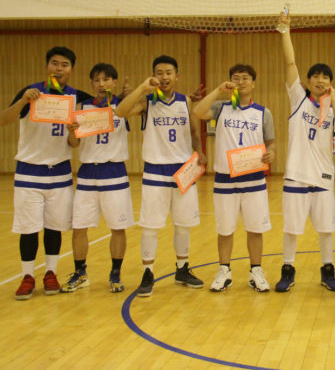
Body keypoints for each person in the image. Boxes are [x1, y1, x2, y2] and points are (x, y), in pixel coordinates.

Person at [1, 47, 129, 300]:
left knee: (55, 227)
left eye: (64, 65)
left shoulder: (77, 98)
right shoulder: (31, 92)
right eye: (54, 63)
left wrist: (125, 95)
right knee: (29, 228)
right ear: (47, 66)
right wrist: (23, 101)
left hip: (61, 172)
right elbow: (4, 119)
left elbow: (104, 104)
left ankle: (51, 273)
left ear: (71, 69)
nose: (59, 69)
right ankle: (27, 276)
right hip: (29, 171)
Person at [114, 55, 207, 297]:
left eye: (168, 72)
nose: (164, 77)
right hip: (155, 170)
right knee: (150, 227)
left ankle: (182, 269)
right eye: (159, 73)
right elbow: (120, 112)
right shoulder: (147, 102)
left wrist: (199, 151)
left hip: (183, 170)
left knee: (184, 225)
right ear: (153, 76)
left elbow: (194, 132)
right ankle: (148, 273)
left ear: (177, 76)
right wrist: (141, 88)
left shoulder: (186, 102)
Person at [276, 12, 335, 292]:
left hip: (323, 177)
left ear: (330, 83)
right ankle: (287, 269)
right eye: (316, 76)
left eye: (325, 77)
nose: (320, 80)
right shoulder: (298, 99)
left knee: (326, 228)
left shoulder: (331, 109)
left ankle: (327, 270)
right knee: (292, 228)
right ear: (307, 82)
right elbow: (290, 62)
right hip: (296, 175)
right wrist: (286, 31)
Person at [192, 64, 276, 293]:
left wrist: (271, 153)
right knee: (225, 229)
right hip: (225, 178)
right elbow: (198, 111)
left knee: (255, 228)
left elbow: (270, 142)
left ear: (253, 83)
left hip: (254, 178)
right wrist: (219, 91)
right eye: (236, 78)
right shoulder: (220, 108)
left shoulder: (263, 112)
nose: (240, 82)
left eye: (245, 78)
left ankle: (256, 271)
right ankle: (224, 271)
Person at [60, 63, 134, 294]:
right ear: (91, 83)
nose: (101, 84)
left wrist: (128, 95)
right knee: (79, 227)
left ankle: (115, 274)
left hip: (114, 172)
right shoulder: (82, 107)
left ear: (114, 82)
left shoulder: (124, 106)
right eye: (96, 80)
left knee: (117, 227)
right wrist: (71, 130)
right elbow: (74, 144)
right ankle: (80, 274)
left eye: (106, 79)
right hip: (87, 173)